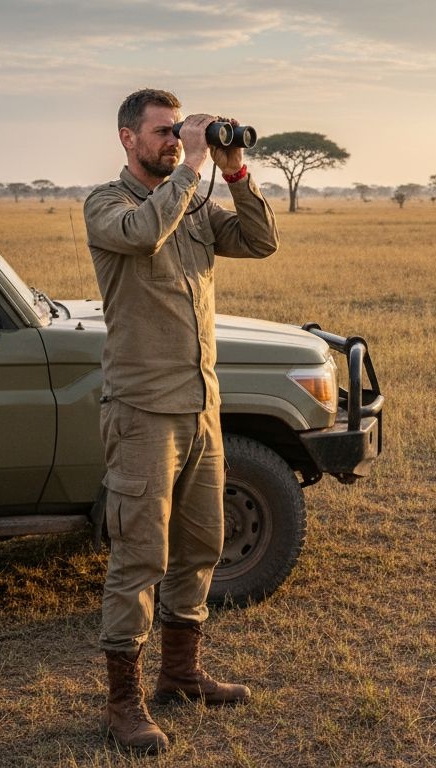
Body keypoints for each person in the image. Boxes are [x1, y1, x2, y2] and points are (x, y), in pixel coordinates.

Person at [84, 88, 278, 753]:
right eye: (163, 132)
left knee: (200, 547)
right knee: (139, 558)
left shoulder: (194, 199)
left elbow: (260, 240)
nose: (173, 141)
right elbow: (143, 236)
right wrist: (193, 165)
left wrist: (232, 169)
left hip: (201, 406)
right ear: (126, 139)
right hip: (142, 413)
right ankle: (123, 703)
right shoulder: (107, 205)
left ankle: (181, 674)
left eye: (179, 131)